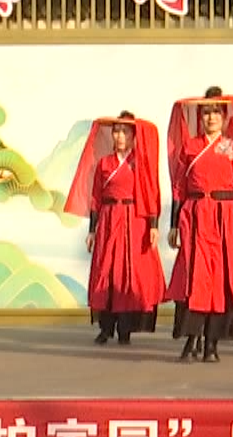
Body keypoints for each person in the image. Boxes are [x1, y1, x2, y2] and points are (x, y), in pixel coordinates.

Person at [165, 87, 233, 362]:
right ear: (200, 117)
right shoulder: (190, 147)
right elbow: (179, 188)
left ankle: (212, 344)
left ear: (224, 117)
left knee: (221, 281)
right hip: (196, 216)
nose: (211, 118)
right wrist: (174, 224)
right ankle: (191, 340)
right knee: (195, 278)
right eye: (206, 112)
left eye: (216, 112)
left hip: (226, 218)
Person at [63, 110, 166, 346]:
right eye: (116, 131)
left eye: (125, 132)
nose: (119, 136)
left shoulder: (140, 163)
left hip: (134, 220)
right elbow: (95, 199)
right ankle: (106, 328)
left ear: (133, 136)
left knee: (129, 274)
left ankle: (125, 329)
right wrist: (92, 230)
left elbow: (151, 194)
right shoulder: (104, 164)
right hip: (109, 219)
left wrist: (153, 225)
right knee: (107, 272)